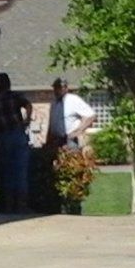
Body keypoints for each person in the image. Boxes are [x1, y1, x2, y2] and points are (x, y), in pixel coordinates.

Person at [38, 77, 95, 211]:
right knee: (56, 174)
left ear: (65, 88)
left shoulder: (72, 100)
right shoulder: (54, 104)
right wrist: (47, 142)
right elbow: (51, 125)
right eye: (55, 88)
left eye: (59, 87)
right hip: (56, 142)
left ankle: (74, 205)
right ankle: (59, 205)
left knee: (72, 172)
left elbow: (90, 115)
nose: (57, 90)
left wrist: (78, 131)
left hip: (69, 141)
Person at [0, 73, 32, 212]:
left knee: (5, 171)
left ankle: (6, 205)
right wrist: (27, 120)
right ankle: (21, 206)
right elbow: (28, 105)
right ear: (9, 84)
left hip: (1, 137)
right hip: (18, 134)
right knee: (20, 171)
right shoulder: (15, 96)